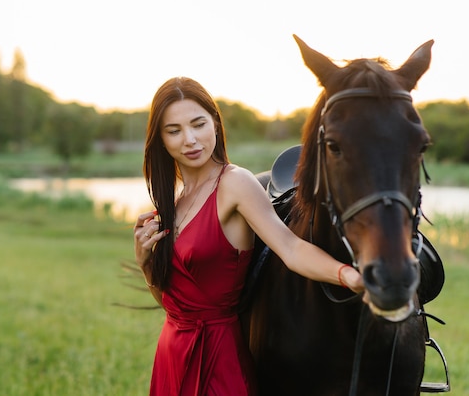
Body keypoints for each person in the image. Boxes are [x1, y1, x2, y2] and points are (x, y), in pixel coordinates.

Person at [134, 76, 364, 396]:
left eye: (198, 124)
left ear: (215, 124)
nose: (190, 139)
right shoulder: (172, 204)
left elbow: (291, 247)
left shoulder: (234, 183)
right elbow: (175, 307)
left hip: (219, 359)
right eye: (174, 130)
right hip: (172, 354)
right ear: (160, 139)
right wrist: (146, 265)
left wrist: (348, 275)